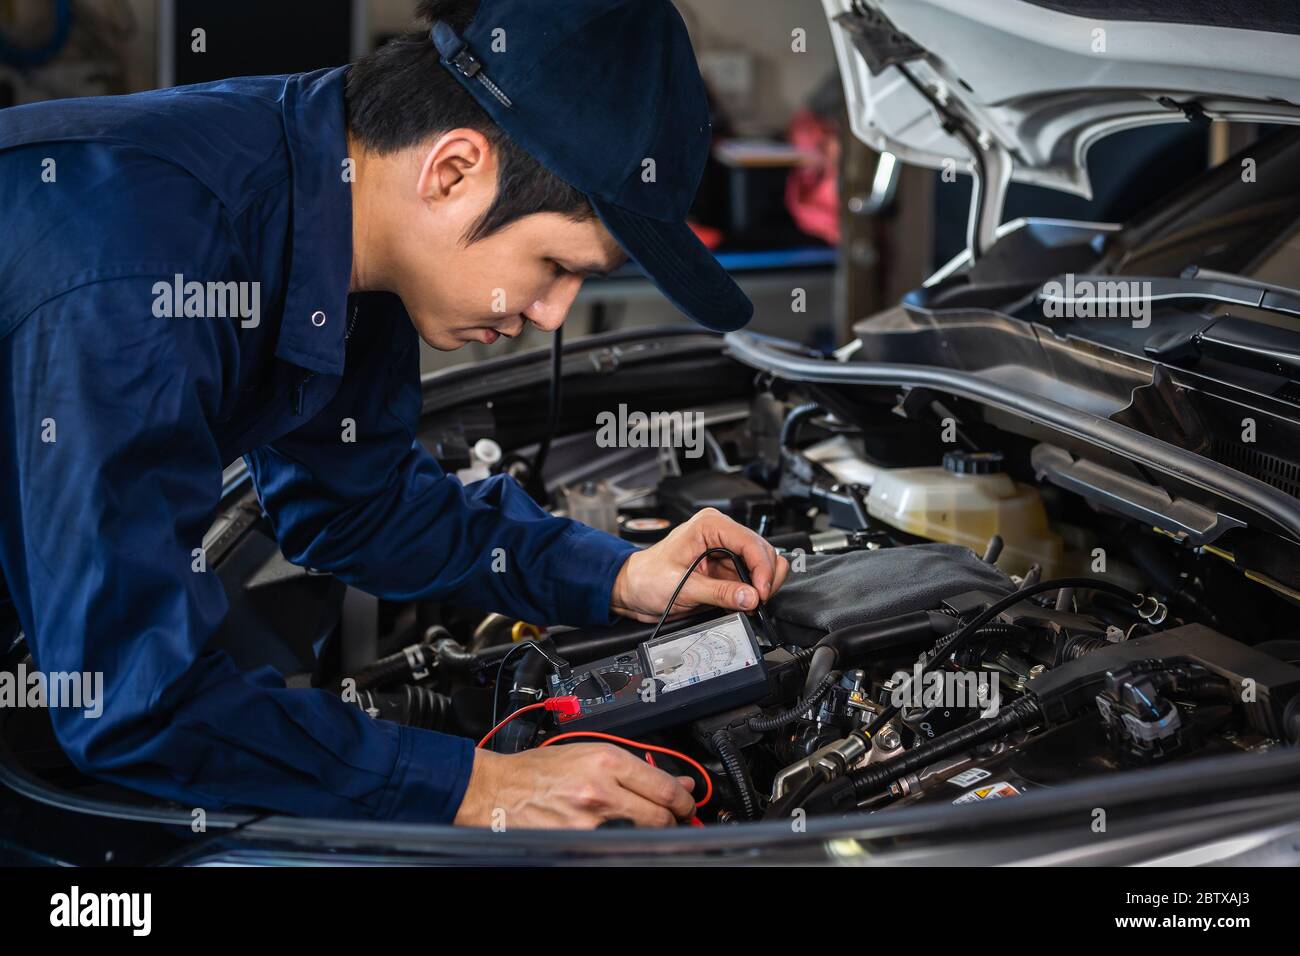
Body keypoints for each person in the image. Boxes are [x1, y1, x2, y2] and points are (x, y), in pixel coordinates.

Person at [0, 0, 788, 828]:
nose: (553, 314)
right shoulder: (136, 273)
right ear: (452, 171)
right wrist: (477, 787)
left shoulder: (347, 207)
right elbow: (138, 705)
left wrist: (616, 576)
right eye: (556, 264)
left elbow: (357, 508)